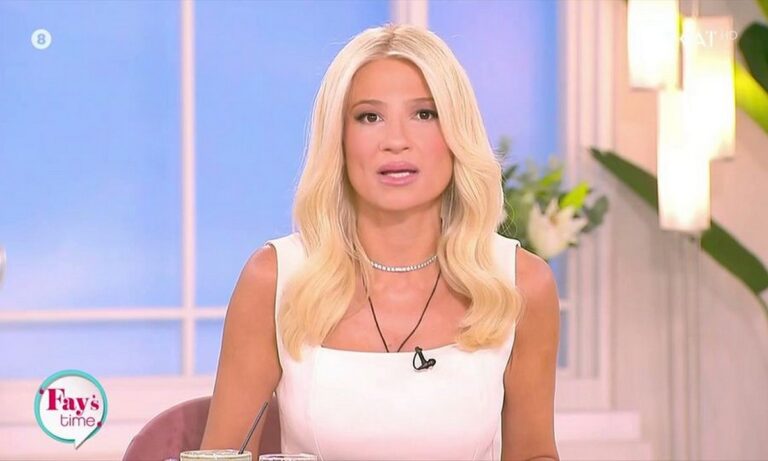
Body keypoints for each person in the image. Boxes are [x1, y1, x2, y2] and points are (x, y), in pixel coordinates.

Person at [200, 23, 560, 461]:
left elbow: (534, 453)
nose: (396, 141)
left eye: (424, 114)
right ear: (339, 139)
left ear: (456, 133)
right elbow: (222, 455)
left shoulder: (520, 284)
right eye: (369, 117)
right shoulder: (275, 280)